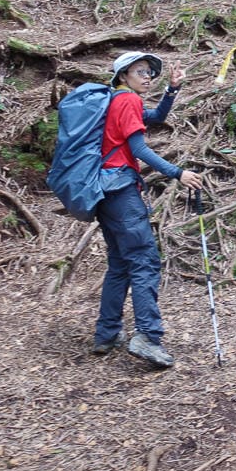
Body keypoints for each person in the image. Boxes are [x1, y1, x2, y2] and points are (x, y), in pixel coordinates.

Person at [92, 51, 204, 368]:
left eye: (149, 72)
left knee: (120, 264)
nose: (146, 76)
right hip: (121, 190)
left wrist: (172, 89)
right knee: (144, 261)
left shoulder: (118, 101)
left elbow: (154, 118)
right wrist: (178, 173)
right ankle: (147, 336)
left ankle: (107, 333)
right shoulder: (126, 100)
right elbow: (138, 148)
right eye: (139, 71)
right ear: (123, 75)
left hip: (105, 192)